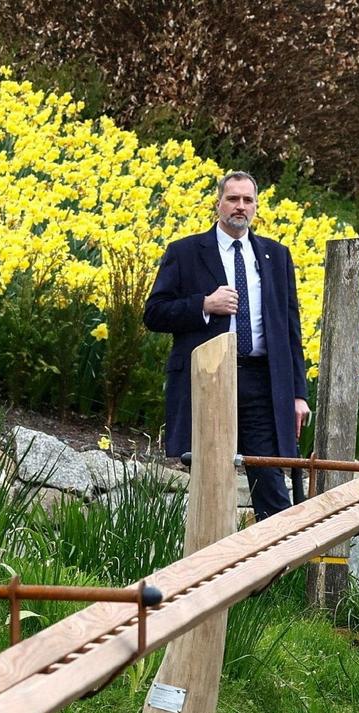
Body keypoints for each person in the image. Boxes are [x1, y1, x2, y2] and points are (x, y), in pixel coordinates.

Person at [143, 171, 311, 521]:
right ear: (218, 203)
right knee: (210, 478)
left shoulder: (276, 256)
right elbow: (154, 313)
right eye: (233, 199)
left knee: (270, 482)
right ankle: (209, 564)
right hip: (210, 379)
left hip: (260, 381)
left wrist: (298, 393)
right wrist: (203, 305)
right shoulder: (186, 252)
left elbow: (290, 329)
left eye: (247, 200)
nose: (240, 207)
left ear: (256, 207)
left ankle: (278, 566)